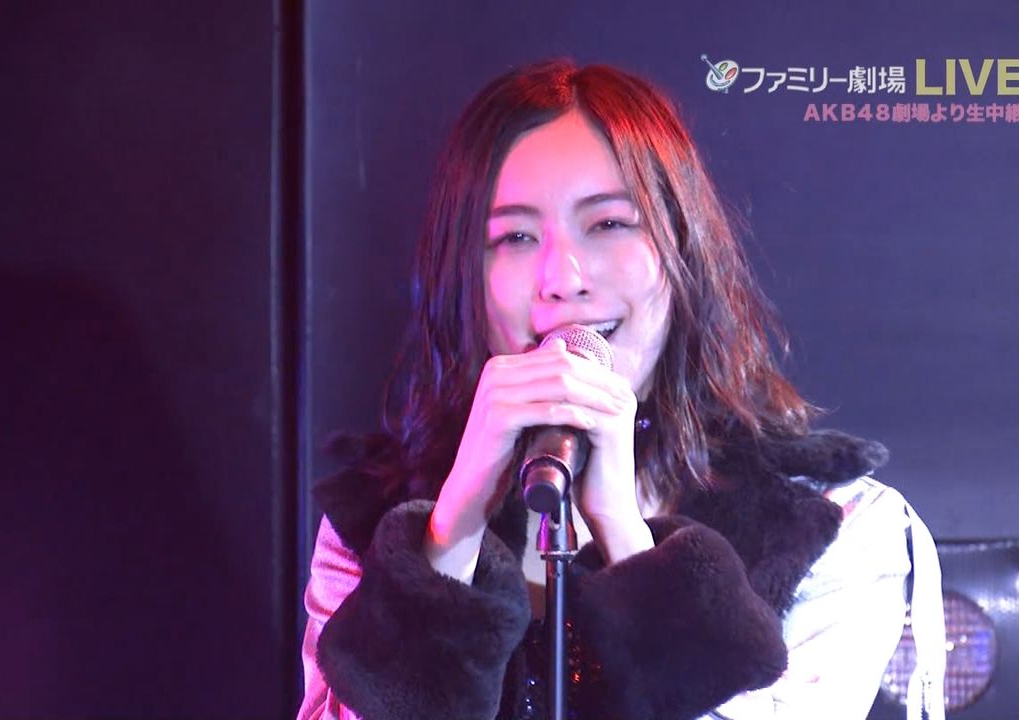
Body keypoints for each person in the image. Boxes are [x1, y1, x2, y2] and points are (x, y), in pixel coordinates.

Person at [297, 59, 945, 720]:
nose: (563, 278)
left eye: (609, 224)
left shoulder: (832, 522)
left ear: (682, 246)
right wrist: (451, 537)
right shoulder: (371, 524)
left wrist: (624, 537)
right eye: (514, 236)